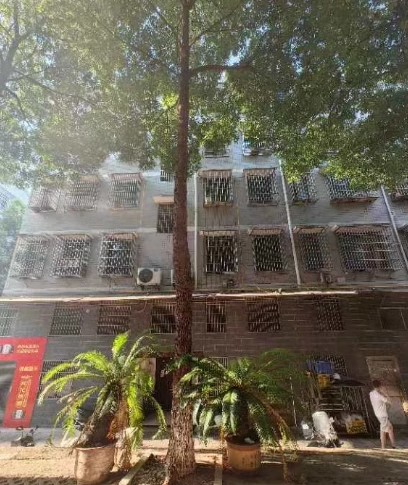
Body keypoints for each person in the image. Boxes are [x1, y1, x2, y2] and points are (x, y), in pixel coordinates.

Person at [369, 379, 396, 449]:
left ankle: (389, 446)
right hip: (382, 415)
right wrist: (385, 393)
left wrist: (380, 392)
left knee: (387, 429)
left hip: (378, 414)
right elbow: (390, 402)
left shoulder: (371, 393)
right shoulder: (379, 395)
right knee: (386, 429)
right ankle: (388, 446)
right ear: (380, 386)